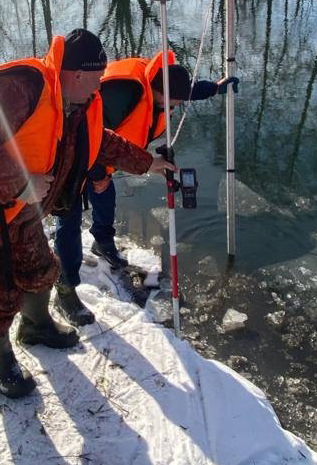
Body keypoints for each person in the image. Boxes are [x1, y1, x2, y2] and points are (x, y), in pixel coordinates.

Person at [0, 29, 175, 399]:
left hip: (16, 210)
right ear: (75, 75)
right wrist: (22, 184)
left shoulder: (73, 102)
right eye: (95, 81)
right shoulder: (21, 89)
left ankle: (36, 326)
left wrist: (148, 162)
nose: (98, 89)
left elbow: (99, 141)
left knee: (40, 268)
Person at [51, 52, 236, 325]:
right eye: (173, 102)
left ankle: (103, 243)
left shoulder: (162, 84)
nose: (176, 106)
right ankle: (65, 290)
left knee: (105, 197)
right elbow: (92, 134)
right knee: (69, 219)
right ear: (159, 92)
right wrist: (97, 173)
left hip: (104, 155)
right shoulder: (123, 95)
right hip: (70, 155)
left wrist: (216, 88)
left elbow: (188, 90)